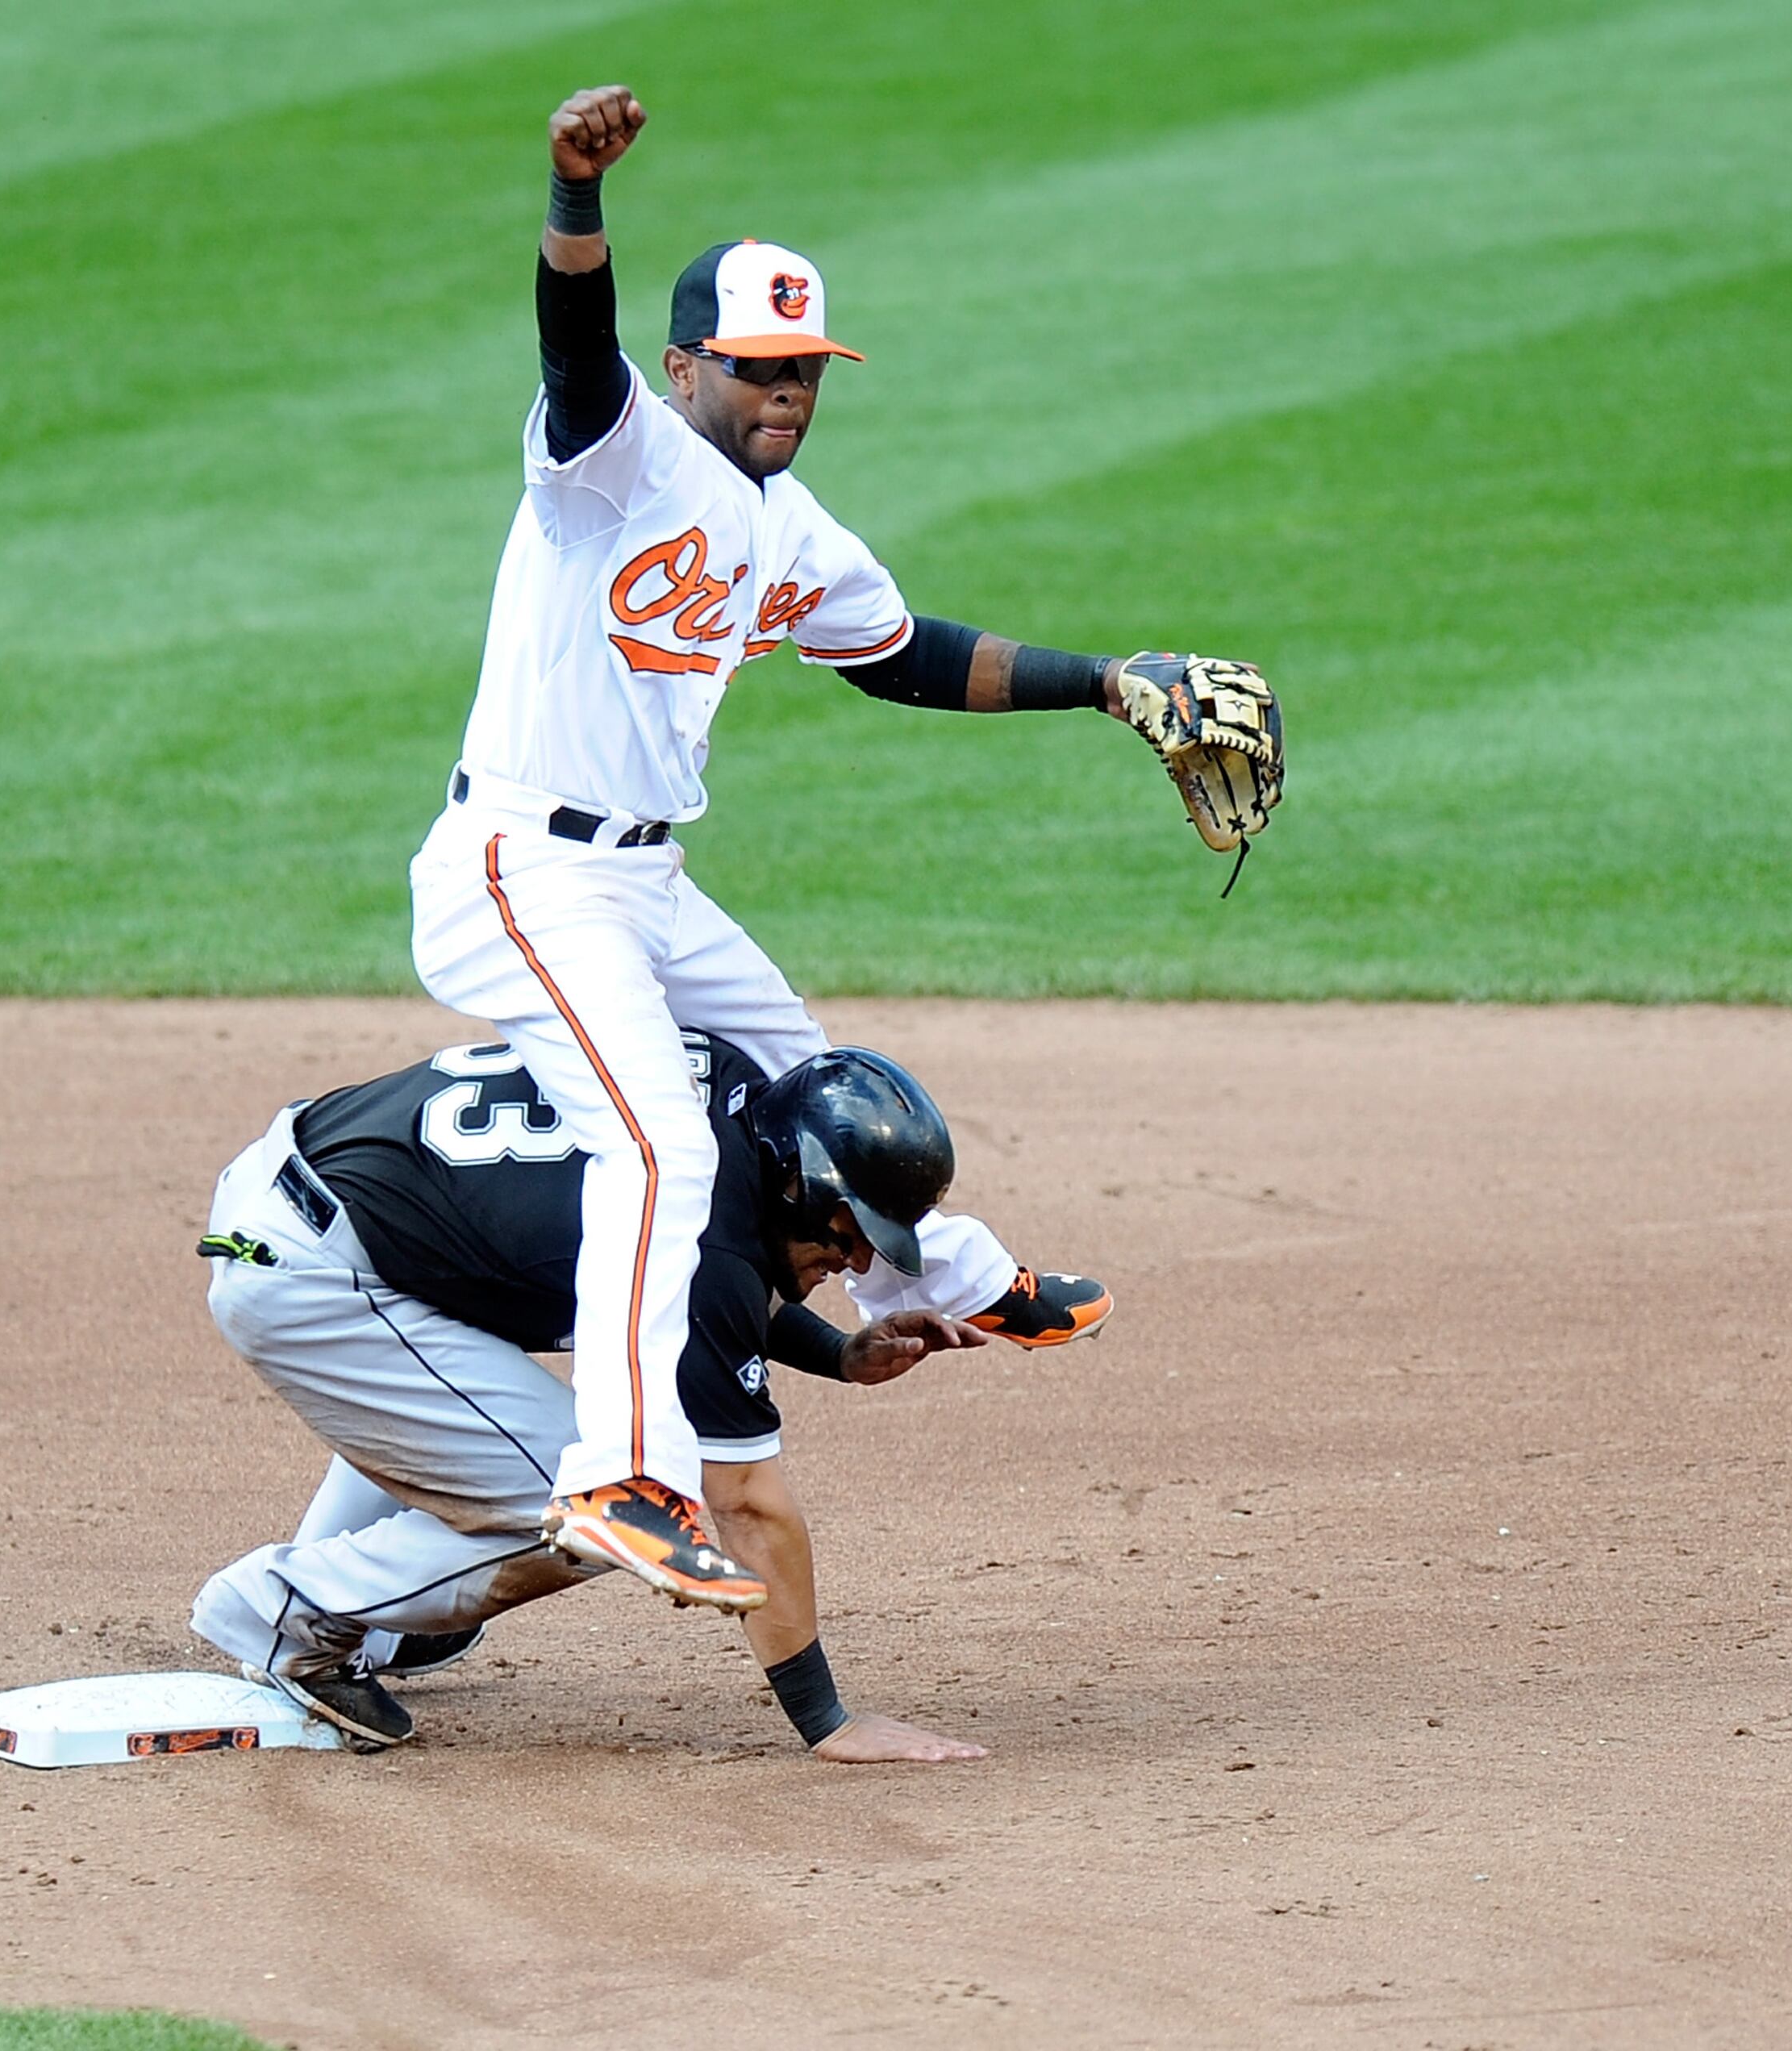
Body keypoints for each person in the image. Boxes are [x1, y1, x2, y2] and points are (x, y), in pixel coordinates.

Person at [412, 83, 1139, 1615]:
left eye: (803, 367)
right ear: (684, 369)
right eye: (753, 369)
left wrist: (1109, 683)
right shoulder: (607, 457)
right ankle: (618, 1476)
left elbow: (901, 653)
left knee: (808, 1074)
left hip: (643, 879)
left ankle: (942, 1276)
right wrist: (572, 193)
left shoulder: (791, 525)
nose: (783, 391)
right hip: (518, 868)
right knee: (663, 1141)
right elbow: (567, 333)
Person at [190, 1030, 994, 1761]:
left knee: (528, 1425)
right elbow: (746, 1500)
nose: (856, 1265)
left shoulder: (726, 1100)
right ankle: (287, 1613)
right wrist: (828, 1719)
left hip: (335, 1208)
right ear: (796, 1184)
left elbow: (712, 1276)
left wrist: (841, 1353)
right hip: (319, 1274)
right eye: (848, 1234)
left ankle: (369, 1624)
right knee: (600, 1501)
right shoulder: (715, 1230)